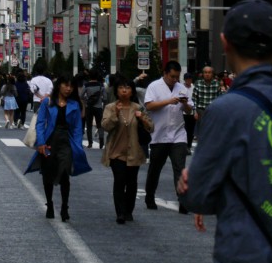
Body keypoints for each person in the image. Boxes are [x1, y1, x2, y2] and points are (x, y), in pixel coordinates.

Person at [178, 0, 272, 263]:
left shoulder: (225, 109)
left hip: (243, 262)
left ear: (225, 43)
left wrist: (189, 182)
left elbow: (198, 197)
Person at [25, 74, 91, 222]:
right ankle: (49, 203)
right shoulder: (48, 102)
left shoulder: (75, 104)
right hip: (50, 140)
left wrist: (77, 145)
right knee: (47, 174)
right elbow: (40, 123)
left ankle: (64, 207)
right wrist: (41, 143)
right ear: (59, 85)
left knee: (64, 173)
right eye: (66, 85)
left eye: (71, 86)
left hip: (67, 141)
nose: (68, 89)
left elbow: (77, 128)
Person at [101, 77, 153, 224]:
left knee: (132, 183)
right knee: (119, 181)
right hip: (116, 152)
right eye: (121, 88)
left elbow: (151, 127)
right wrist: (115, 114)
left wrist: (142, 118)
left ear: (132, 91)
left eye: (128, 88)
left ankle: (129, 210)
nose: (124, 91)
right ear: (116, 91)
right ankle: (120, 213)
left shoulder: (138, 108)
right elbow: (105, 126)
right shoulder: (110, 107)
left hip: (134, 152)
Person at [143, 60, 193, 214]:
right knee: (155, 168)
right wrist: (168, 101)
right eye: (172, 76)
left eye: (177, 77)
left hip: (178, 134)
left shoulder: (181, 88)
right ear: (165, 74)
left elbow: (189, 110)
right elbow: (149, 106)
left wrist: (185, 104)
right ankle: (149, 196)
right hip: (159, 135)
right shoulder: (154, 86)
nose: (175, 80)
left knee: (179, 168)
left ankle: (183, 200)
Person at [82, 69, 106, 149]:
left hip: (89, 107)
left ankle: (90, 142)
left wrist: (87, 99)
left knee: (89, 125)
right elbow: (105, 97)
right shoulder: (101, 85)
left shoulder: (86, 85)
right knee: (100, 125)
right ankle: (101, 141)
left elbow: (81, 95)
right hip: (98, 107)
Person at [181, 73, 196, 152]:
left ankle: (189, 146)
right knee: (184, 129)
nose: (188, 81)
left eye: (190, 79)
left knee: (191, 130)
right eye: (187, 79)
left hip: (192, 111)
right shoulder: (181, 87)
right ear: (185, 80)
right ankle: (184, 145)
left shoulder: (194, 87)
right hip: (183, 111)